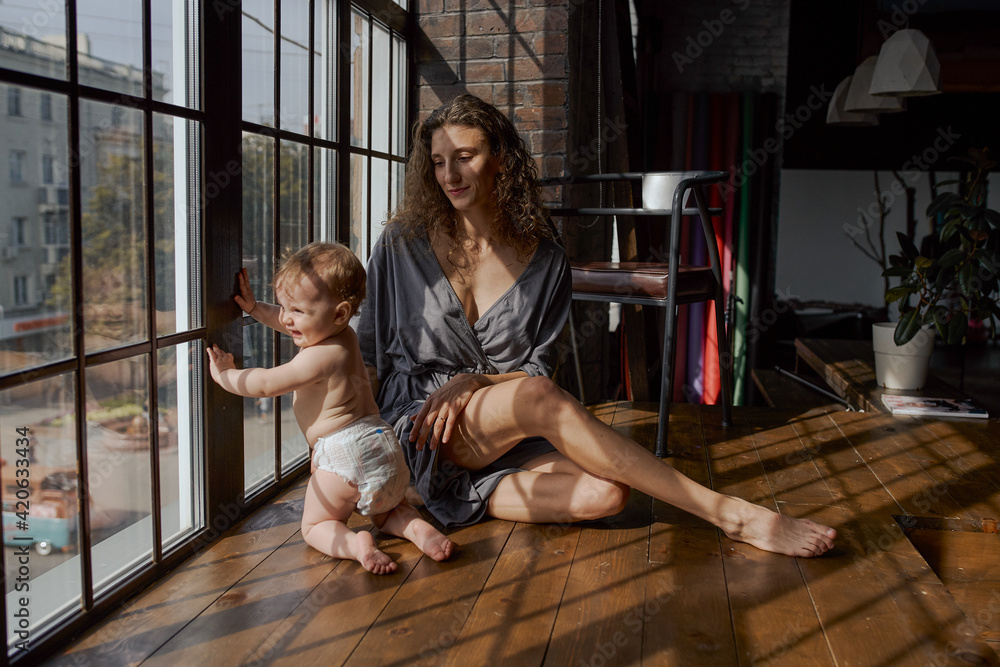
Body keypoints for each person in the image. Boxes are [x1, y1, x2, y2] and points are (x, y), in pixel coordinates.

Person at [352, 93, 836, 558]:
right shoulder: (401, 243)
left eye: (464, 156)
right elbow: (367, 355)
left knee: (606, 495)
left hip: (504, 423)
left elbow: (536, 367)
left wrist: (476, 380)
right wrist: (350, 453)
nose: (449, 175)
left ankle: (429, 493)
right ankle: (731, 514)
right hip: (422, 420)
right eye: (438, 162)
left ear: (499, 157)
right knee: (541, 400)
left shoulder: (545, 261)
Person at [207, 242, 453, 574]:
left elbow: (265, 384)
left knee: (315, 525)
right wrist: (256, 309)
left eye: (297, 311)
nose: (287, 319)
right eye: (283, 307)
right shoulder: (343, 336)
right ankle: (420, 530)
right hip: (384, 444)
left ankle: (356, 545)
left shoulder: (317, 357)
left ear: (339, 312)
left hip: (344, 455)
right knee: (389, 512)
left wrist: (226, 376)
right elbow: (293, 325)